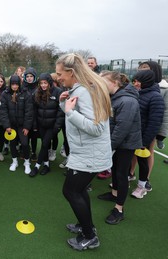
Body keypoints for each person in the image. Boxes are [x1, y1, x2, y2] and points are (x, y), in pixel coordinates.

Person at [56, 53, 112, 251]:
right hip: (85, 153)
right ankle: (86, 225)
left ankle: (89, 236)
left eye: (60, 73)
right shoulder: (82, 88)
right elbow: (80, 117)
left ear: (72, 72)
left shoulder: (86, 91)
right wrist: (65, 105)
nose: (58, 77)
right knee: (77, 190)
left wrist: (70, 112)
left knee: (70, 191)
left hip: (90, 155)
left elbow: (96, 128)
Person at [96, 71, 141, 224]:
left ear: (114, 83)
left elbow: (122, 127)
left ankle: (119, 209)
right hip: (118, 142)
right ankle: (114, 194)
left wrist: (109, 146)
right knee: (115, 169)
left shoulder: (127, 101)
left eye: (104, 82)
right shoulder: (116, 97)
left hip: (126, 144)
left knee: (122, 174)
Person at [130, 70, 164, 198]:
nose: (136, 84)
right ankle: (130, 177)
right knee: (130, 158)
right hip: (133, 134)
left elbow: (155, 122)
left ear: (147, 82)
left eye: (139, 81)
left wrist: (144, 142)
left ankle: (142, 186)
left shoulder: (156, 97)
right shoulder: (137, 93)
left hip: (143, 137)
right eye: (134, 81)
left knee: (142, 161)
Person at [29, 73, 64, 177]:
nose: (43, 85)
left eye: (45, 83)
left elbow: (61, 111)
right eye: (41, 83)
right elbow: (34, 110)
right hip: (41, 124)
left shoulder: (58, 92)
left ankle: (36, 166)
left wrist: (57, 126)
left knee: (44, 145)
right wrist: (35, 124)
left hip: (52, 126)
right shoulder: (37, 92)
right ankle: (47, 165)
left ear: (50, 82)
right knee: (45, 145)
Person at [0, 75, 33, 175]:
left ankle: (27, 163)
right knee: (12, 144)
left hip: (22, 125)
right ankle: (14, 162)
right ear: (10, 84)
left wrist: (27, 127)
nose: (14, 86)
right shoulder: (5, 94)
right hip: (11, 125)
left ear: (19, 84)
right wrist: (7, 126)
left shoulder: (25, 93)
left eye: (16, 84)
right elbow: (3, 111)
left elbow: (29, 111)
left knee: (25, 143)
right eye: (13, 84)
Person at [22, 67, 39, 162]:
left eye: (31, 76)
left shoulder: (38, 88)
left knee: (34, 135)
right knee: (25, 134)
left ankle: (33, 152)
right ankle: (25, 151)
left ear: (34, 77)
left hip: (35, 116)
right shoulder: (23, 87)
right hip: (25, 115)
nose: (29, 78)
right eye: (27, 76)